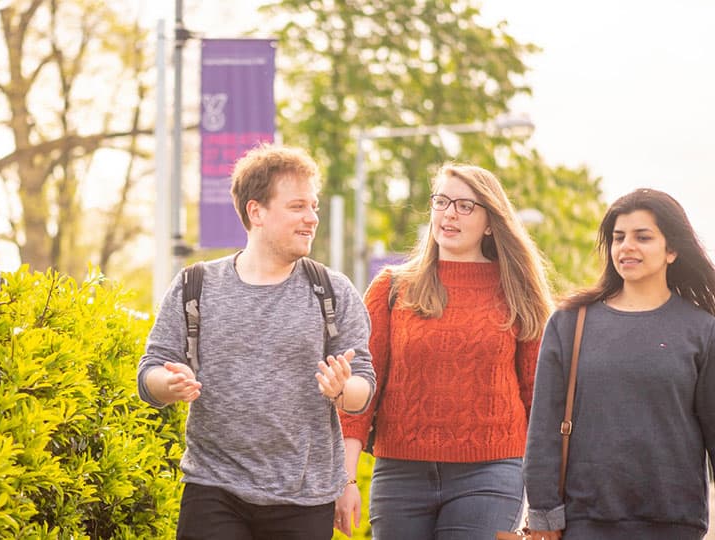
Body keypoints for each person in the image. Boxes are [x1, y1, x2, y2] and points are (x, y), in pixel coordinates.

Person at [137, 143, 376, 540]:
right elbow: (150, 374)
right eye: (298, 206)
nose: (311, 218)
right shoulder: (194, 286)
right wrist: (170, 384)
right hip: (214, 487)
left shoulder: (331, 291)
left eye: (313, 207)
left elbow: (363, 385)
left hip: (304, 497)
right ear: (257, 211)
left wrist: (342, 390)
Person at [338, 163, 553, 539]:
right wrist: (345, 480)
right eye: (441, 201)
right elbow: (361, 393)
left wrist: (546, 498)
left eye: (465, 206)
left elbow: (538, 397)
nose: (449, 213)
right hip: (400, 474)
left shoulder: (518, 293)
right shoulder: (392, 288)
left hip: (491, 471)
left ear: (490, 222)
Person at [523, 188, 715, 540]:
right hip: (584, 520)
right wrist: (543, 512)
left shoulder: (703, 329)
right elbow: (543, 427)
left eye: (643, 237)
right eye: (618, 238)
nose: (627, 247)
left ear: (671, 250)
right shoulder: (569, 323)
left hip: (674, 523)